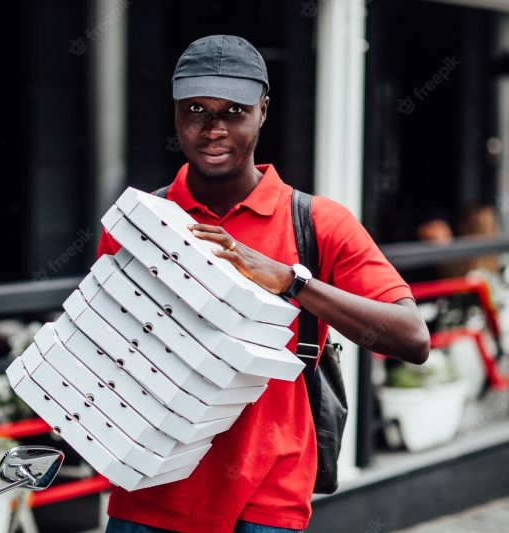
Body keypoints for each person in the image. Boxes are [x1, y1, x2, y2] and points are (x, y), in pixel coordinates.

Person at [96, 35, 430, 533]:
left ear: (263, 111)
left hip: (266, 502)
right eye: (196, 109)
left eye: (234, 110)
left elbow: (413, 338)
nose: (213, 129)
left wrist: (292, 282)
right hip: (147, 494)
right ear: (175, 112)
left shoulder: (317, 222)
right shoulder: (138, 222)